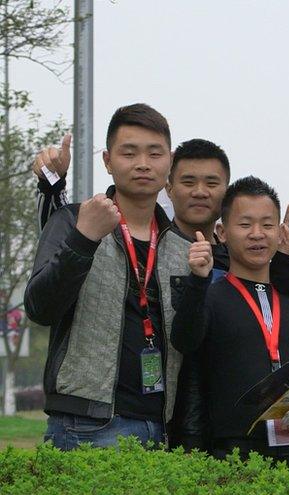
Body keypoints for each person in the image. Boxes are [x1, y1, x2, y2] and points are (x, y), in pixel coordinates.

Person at [25, 103, 190, 449]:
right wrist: (84, 239)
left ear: (170, 162)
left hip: (162, 427)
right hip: (84, 425)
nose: (143, 163)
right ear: (107, 161)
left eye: (154, 153)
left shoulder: (182, 247)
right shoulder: (74, 221)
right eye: (129, 153)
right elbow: (40, 307)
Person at [170, 177, 289, 466]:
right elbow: (184, 339)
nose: (257, 234)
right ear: (222, 232)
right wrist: (197, 280)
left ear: (279, 232)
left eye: (267, 225)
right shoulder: (210, 297)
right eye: (245, 225)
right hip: (232, 459)